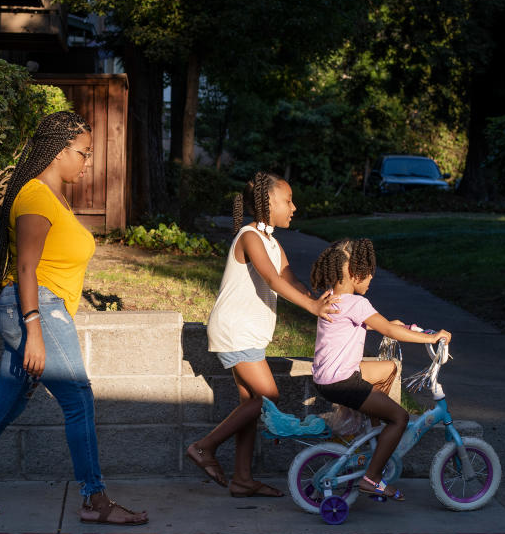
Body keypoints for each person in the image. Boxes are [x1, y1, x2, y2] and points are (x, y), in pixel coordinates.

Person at [0, 111, 147, 525]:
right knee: (78, 399)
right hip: (35, 308)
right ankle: (95, 501)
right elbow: (26, 268)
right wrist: (34, 329)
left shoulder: (52, 197)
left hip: (39, 308)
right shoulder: (33, 196)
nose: (87, 163)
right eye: (82, 153)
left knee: (7, 402)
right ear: (58, 152)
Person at [186, 172, 338, 498]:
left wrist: (321, 297)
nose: (294, 207)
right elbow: (271, 279)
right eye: (288, 201)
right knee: (269, 397)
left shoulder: (271, 241)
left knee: (252, 405)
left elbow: (289, 278)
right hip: (234, 330)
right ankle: (204, 447)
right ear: (268, 202)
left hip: (249, 334)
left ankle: (242, 479)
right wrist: (311, 308)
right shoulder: (249, 236)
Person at [309, 238, 451, 502]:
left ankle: (371, 434)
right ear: (354, 273)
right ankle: (371, 478)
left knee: (387, 368)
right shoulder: (358, 304)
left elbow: (368, 325)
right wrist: (431, 338)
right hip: (342, 381)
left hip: (328, 377)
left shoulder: (331, 299)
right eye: (368, 270)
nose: (372, 275)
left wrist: (390, 324)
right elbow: (386, 329)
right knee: (399, 418)